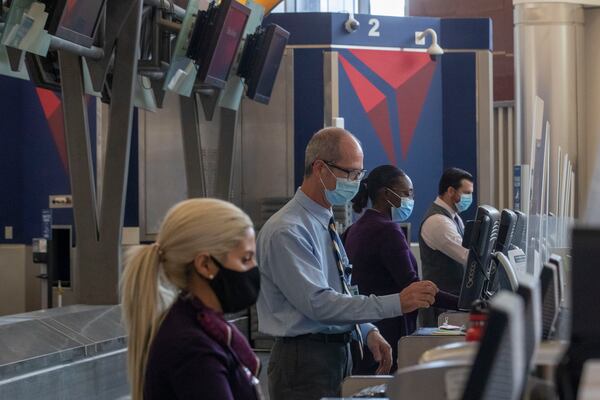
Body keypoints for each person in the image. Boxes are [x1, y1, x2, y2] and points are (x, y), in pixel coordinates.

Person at [257, 127, 439, 400]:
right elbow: (319, 303)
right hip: (304, 360)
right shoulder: (289, 230)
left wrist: (366, 329)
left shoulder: (323, 220)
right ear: (320, 168)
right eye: (351, 173)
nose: (356, 182)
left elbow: (343, 287)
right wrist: (397, 302)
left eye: (360, 174)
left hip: (336, 353)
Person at [120, 199, 263, 400]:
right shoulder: (193, 349)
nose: (254, 268)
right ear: (205, 265)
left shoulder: (200, 326)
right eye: (245, 259)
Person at [343, 165, 459, 373]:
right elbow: (414, 288)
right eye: (406, 193)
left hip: (365, 331)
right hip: (389, 332)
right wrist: (465, 304)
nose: (410, 200)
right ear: (387, 194)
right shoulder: (388, 231)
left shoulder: (356, 228)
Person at [419, 167, 474, 325]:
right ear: (450, 191)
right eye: (467, 193)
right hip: (441, 307)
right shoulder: (438, 221)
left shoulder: (454, 217)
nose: (470, 197)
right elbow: (466, 256)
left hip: (451, 303)